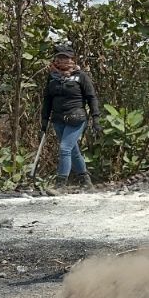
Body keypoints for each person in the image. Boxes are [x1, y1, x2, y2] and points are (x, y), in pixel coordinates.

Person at [41, 45, 102, 191]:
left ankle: (60, 185)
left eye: (65, 57)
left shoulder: (81, 76)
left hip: (76, 118)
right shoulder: (52, 77)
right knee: (73, 151)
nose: (62, 60)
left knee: (64, 149)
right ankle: (86, 182)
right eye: (59, 57)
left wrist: (96, 118)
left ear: (72, 59)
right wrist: (44, 120)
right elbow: (47, 99)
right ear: (55, 59)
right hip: (58, 119)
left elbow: (91, 97)